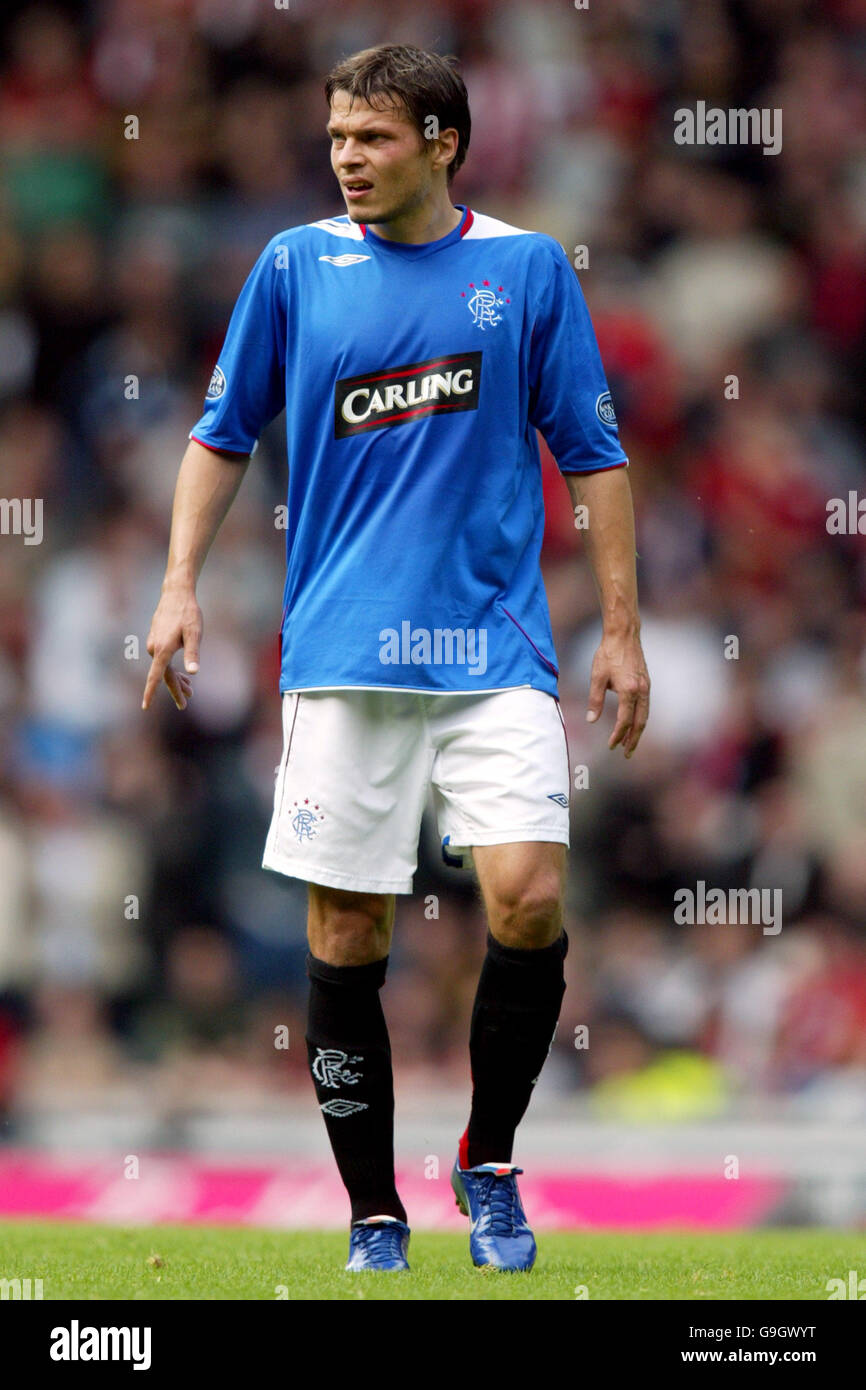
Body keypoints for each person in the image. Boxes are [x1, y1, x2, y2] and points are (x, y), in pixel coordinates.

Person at [142, 43, 650, 1274]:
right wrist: (176, 587)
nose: (346, 161)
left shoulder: (525, 270)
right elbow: (220, 435)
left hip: (494, 649)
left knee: (527, 895)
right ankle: (374, 1209)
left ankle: (488, 1160)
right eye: (334, 141)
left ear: (441, 141)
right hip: (342, 650)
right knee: (344, 937)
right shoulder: (291, 268)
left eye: (370, 139)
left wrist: (623, 628)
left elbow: (592, 452)